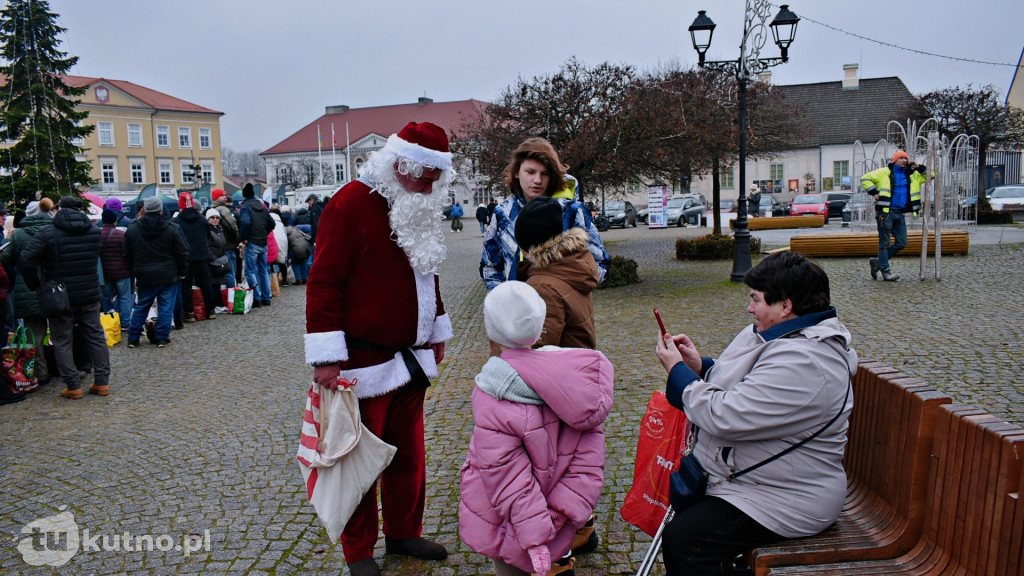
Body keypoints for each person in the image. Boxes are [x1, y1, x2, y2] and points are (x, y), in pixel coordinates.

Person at [304, 121, 455, 576]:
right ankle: (359, 551)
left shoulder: (418, 205)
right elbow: (324, 282)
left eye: (435, 182)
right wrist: (327, 357)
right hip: (362, 361)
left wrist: (435, 330)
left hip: (411, 358)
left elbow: (427, 271)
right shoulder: (349, 204)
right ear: (401, 166)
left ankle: (404, 532)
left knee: (408, 456)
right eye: (424, 180)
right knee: (357, 459)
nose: (429, 190)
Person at [653, 251, 857, 576]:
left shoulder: (806, 361)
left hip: (789, 496)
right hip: (762, 480)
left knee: (686, 540)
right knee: (688, 524)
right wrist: (701, 367)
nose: (750, 308)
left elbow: (725, 416)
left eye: (756, 299)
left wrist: (678, 372)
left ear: (785, 306)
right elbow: (752, 391)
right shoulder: (782, 336)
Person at [459, 281, 613, 576]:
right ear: (541, 325)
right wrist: (560, 516)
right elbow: (587, 462)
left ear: (491, 329)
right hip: (559, 517)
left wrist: (535, 537)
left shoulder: (494, 392)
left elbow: (506, 475)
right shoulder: (574, 381)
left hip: (512, 525)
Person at [481, 137, 609, 291]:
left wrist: (569, 289)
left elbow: (600, 264)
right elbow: (489, 267)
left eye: (545, 174)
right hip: (519, 304)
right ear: (516, 172)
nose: (537, 180)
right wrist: (506, 297)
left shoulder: (572, 211)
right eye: (530, 172)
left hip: (561, 303)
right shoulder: (503, 214)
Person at [19, 196, 111, 399]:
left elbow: (26, 259)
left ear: (58, 209)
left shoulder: (47, 233)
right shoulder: (94, 232)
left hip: (59, 294)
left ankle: (73, 385)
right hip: (89, 292)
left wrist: (35, 285)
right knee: (95, 336)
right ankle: (102, 382)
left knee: (62, 340)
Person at [514, 196, 599, 349]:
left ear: (525, 243)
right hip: (579, 360)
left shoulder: (542, 286)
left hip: (563, 364)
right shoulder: (571, 264)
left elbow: (539, 350)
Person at [1, 199, 57, 385]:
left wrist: (8, 241)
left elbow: (6, 260)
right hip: (55, 288)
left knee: (34, 333)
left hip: (27, 289)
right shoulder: (56, 231)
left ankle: (41, 371)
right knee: (61, 331)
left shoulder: (18, 234)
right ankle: (65, 369)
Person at [123, 196, 188, 348]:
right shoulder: (171, 228)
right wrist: (182, 271)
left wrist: (134, 269)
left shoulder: (133, 228)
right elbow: (182, 252)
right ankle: (161, 337)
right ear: (160, 210)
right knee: (166, 307)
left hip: (144, 273)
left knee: (142, 306)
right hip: (168, 273)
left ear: (145, 209)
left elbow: (126, 252)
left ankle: (133, 337)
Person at [860, 150, 927, 282]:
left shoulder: (912, 174)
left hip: (899, 213)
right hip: (885, 213)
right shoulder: (884, 172)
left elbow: (930, 176)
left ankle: (878, 262)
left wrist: (919, 166)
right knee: (884, 243)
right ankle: (886, 272)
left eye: (905, 158)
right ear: (894, 160)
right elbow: (865, 178)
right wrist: (874, 192)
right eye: (901, 158)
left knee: (902, 242)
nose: (904, 160)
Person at [174, 192, 216, 321]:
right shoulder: (202, 219)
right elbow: (208, 236)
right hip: (201, 257)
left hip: (186, 258)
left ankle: (189, 312)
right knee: (206, 284)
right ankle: (211, 310)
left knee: (185, 286)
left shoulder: (176, 221)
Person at [238, 183, 275, 307]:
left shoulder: (245, 207)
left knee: (250, 271)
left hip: (252, 242)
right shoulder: (262, 206)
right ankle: (266, 298)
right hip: (263, 243)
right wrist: (264, 233)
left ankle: (257, 298)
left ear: (244, 195)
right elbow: (272, 223)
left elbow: (245, 223)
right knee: (263, 271)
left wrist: (244, 238)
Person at [99, 206, 132, 331]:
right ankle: (124, 323)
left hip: (105, 272)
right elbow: (128, 253)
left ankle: (109, 320)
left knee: (105, 297)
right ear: (115, 221)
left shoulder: (98, 235)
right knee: (124, 297)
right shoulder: (121, 235)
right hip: (122, 271)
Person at [210, 189, 239, 288]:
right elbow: (233, 226)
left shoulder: (210, 210)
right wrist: (237, 239)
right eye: (222, 195)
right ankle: (231, 294)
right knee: (230, 272)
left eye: (225, 195)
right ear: (216, 197)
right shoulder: (223, 209)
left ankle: (225, 293)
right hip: (228, 245)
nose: (225, 197)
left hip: (216, 247)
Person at [206, 209, 229, 313]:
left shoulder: (219, 229)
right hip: (212, 261)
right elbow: (207, 247)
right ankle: (216, 304)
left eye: (217, 218)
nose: (215, 220)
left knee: (218, 283)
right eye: (212, 218)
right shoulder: (208, 230)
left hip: (219, 260)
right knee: (214, 284)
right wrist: (213, 258)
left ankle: (219, 303)